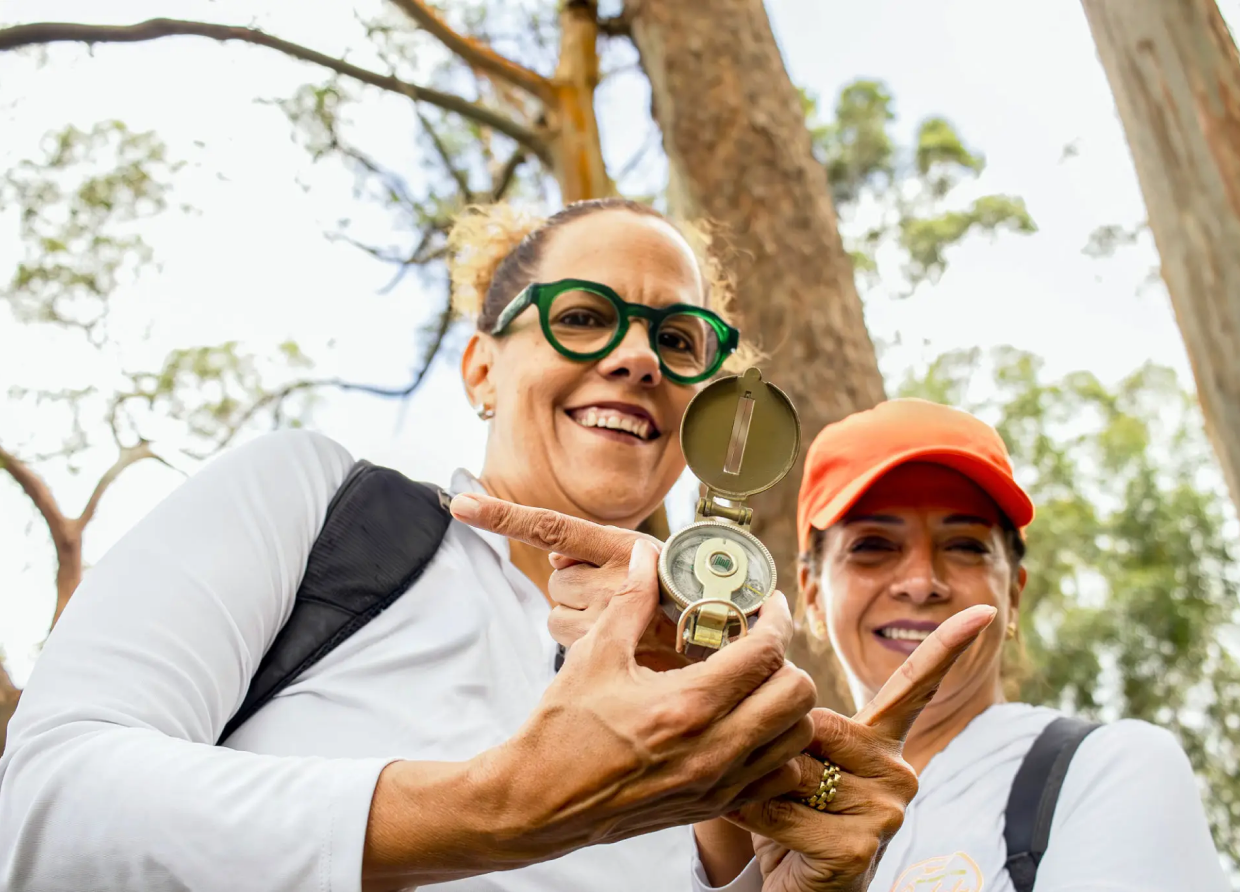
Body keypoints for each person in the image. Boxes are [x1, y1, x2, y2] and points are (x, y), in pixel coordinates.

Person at [0, 197, 981, 892]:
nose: (638, 357)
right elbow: (44, 809)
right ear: (480, 368)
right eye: (587, 316)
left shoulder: (713, 700)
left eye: (679, 341)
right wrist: (501, 804)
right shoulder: (318, 505)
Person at [786, 398, 1228, 891]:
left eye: (965, 546)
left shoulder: (1111, 769)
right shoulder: (754, 819)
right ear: (812, 593)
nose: (920, 581)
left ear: (1013, 595)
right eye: (872, 545)